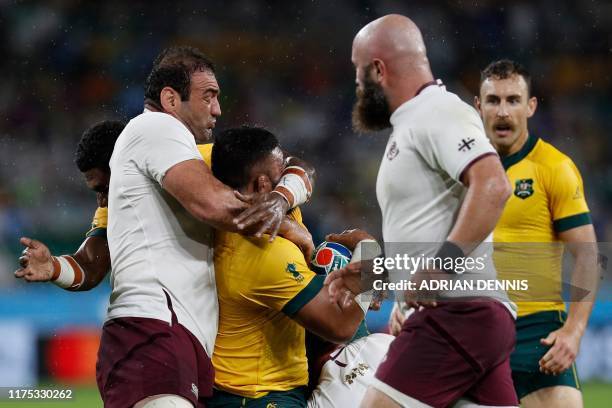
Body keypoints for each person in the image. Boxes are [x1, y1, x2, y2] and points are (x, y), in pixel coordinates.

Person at [325, 14, 518, 407]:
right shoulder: (413, 123)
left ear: (378, 69)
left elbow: (494, 185)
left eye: (359, 73)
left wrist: (439, 270)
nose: (357, 85)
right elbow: (431, 224)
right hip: (472, 317)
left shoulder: (438, 111)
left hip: (454, 314)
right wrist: (383, 272)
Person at [101, 46, 310, 408]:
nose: (217, 109)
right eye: (208, 96)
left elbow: (294, 165)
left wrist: (281, 200)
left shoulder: (184, 153)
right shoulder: (156, 129)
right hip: (155, 326)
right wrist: (304, 237)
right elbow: (216, 206)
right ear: (170, 99)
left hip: (181, 336)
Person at [206, 126, 371, 407]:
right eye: (280, 173)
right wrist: (370, 255)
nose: (288, 176)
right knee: (374, 356)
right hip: (258, 395)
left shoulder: (229, 182)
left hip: (273, 383)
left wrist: (282, 199)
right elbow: (341, 325)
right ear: (261, 185)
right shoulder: (264, 253)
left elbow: (302, 167)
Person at [475, 59, 598, 408]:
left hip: (536, 332)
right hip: (470, 328)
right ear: (478, 105)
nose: (503, 111)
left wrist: (573, 332)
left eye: (513, 100)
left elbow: (588, 255)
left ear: (530, 106)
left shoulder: (554, 168)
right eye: (493, 100)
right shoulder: (457, 171)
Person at [15, 120, 124, 290]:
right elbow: (90, 264)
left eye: (105, 189)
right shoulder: (110, 211)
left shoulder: (170, 185)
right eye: (96, 191)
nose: (102, 201)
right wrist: (54, 267)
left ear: (125, 169)